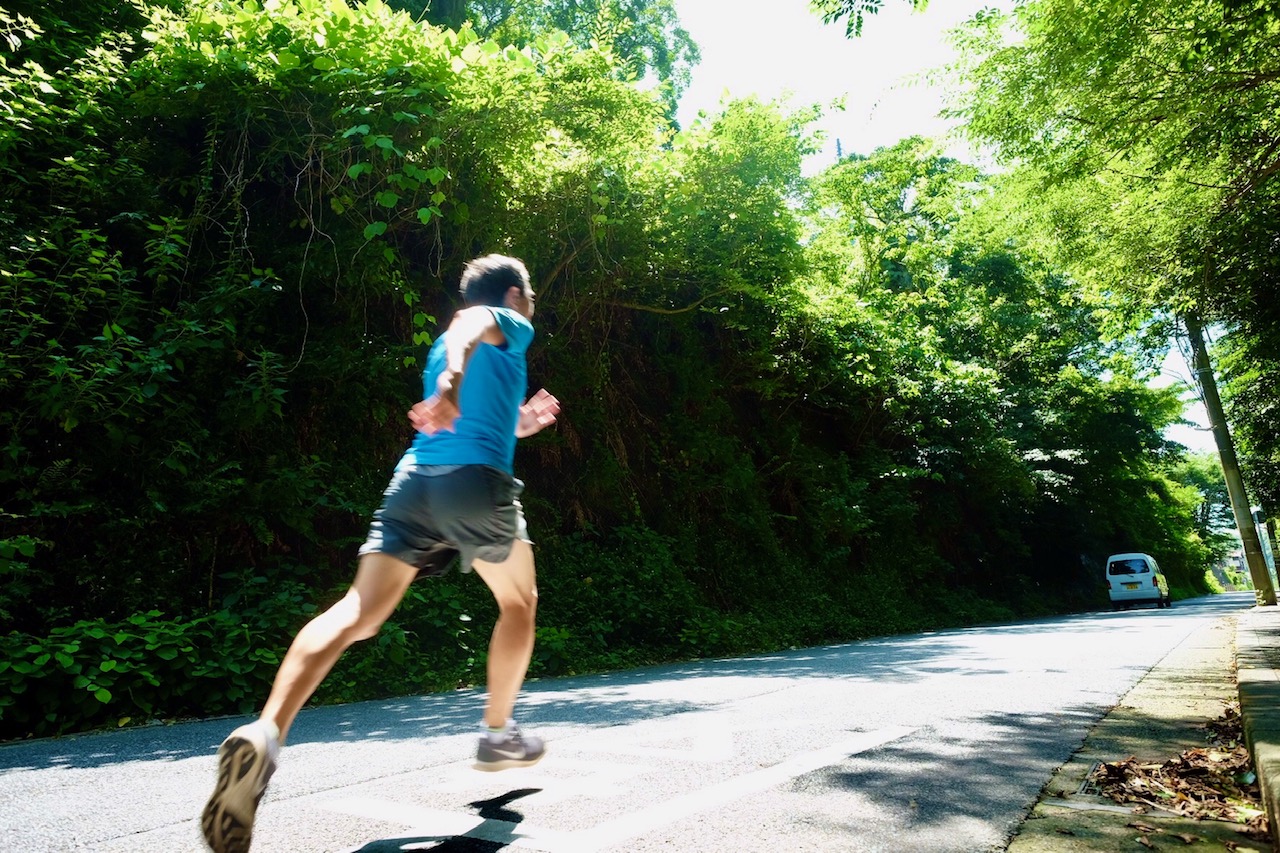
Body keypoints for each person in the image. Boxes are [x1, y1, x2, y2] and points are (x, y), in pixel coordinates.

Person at [201, 254, 560, 853]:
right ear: (515, 293)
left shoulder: (449, 344)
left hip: (415, 482)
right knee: (520, 601)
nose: (532, 306)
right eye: (530, 295)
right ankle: (498, 732)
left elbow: (473, 393)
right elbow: (471, 330)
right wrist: (449, 389)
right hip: (475, 485)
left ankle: (265, 734)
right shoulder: (500, 320)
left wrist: (517, 424)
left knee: (357, 614)